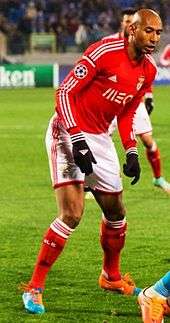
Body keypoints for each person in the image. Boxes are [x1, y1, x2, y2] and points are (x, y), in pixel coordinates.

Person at [22, 9, 163, 314]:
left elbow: (127, 112)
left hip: (99, 137)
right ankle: (34, 288)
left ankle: (110, 277)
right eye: (148, 31)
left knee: (116, 213)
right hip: (66, 130)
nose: (154, 38)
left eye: (158, 33)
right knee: (72, 213)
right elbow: (65, 93)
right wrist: (75, 137)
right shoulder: (103, 51)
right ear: (132, 30)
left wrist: (131, 150)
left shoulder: (148, 71)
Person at [107, 8, 170, 194]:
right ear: (123, 24)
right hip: (109, 102)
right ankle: (97, 181)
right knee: (103, 140)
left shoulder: (143, 46)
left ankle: (158, 178)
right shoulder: (109, 43)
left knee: (148, 141)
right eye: (125, 21)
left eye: (131, 21)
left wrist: (148, 96)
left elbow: (145, 72)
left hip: (133, 101)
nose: (128, 24)